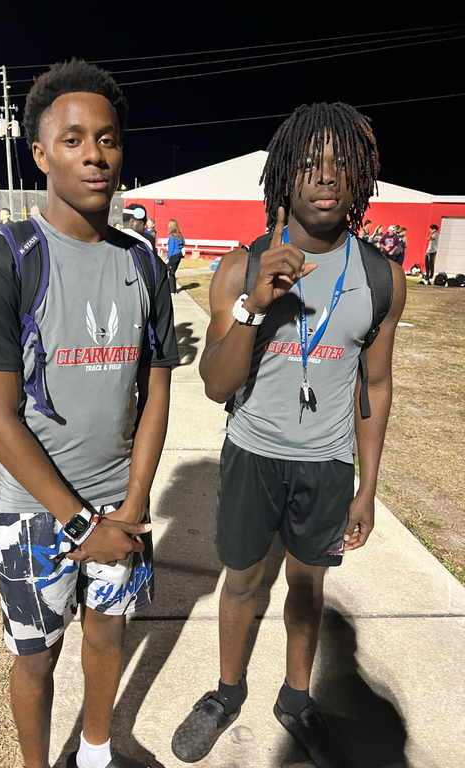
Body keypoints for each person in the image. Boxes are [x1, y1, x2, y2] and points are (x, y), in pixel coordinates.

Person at [0, 59, 178, 768]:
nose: (94, 155)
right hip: (33, 515)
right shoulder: (1, 262)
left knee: (107, 635)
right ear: (41, 154)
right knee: (36, 657)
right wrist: (82, 525)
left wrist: (132, 505)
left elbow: (156, 391)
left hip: (121, 506)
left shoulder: (144, 265)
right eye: (73, 139)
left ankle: (96, 751)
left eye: (107, 139)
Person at [171, 102, 406, 766]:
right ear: (283, 175)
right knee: (242, 582)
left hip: (327, 466)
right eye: (309, 163)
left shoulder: (382, 278)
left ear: (361, 177)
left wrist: (367, 488)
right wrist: (254, 307)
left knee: (307, 586)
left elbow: (375, 386)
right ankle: (226, 693)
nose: (325, 176)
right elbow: (215, 384)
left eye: (341, 163)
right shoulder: (239, 269)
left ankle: (296, 700)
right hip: (252, 456)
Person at [166, 218, 185, 294]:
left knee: (170, 273)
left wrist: (168, 258)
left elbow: (171, 248)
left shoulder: (172, 236)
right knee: (172, 272)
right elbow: (183, 243)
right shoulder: (179, 235)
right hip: (179, 255)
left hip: (173, 256)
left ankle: (172, 290)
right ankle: (173, 290)